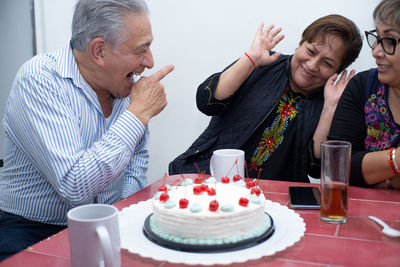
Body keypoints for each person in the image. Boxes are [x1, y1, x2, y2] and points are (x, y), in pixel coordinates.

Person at [0, 0, 174, 261]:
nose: (149, 62)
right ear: (99, 51)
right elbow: (74, 186)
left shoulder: (123, 84)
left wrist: (123, 215)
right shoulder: (39, 80)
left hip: (108, 221)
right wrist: (137, 114)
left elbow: (137, 155)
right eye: (141, 50)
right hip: (33, 229)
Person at [169, 14, 362, 182]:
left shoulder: (331, 100)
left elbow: (317, 168)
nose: (312, 65)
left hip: (274, 200)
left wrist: (329, 108)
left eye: (327, 63)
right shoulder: (262, 63)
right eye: (310, 51)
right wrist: (250, 59)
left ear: (338, 70)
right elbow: (206, 101)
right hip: (210, 182)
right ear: (300, 43)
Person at [329, 0, 400, 189]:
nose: (376, 51)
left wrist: (378, 175)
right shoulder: (363, 86)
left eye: (389, 41)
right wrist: (396, 161)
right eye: (377, 38)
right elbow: (337, 165)